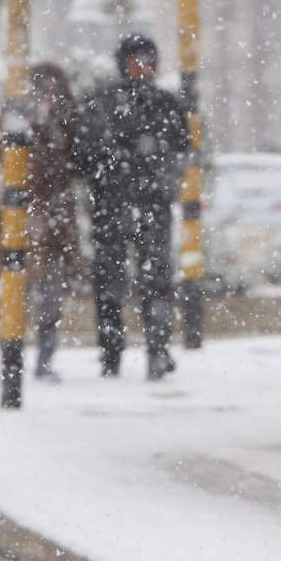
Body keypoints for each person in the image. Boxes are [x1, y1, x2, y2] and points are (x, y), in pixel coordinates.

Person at [71, 34, 190, 380]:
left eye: (149, 60)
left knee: (155, 281)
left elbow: (179, 153)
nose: (144, 67)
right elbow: (82, 156)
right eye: (137, 60)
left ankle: (157, 349)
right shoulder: (101, 104)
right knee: (109, 284)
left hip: (150, 207)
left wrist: (161, 185)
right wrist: (110, 178)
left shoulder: (165, 105)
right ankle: (111, 354)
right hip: (111, 207)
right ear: (123, 63)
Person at [0, 62, 82, 383]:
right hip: (22, 212)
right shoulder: (16, 118)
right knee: (18, 291)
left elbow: (75, 157)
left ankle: (44, 356)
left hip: (55, 215)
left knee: (51, 295)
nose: (47, 97)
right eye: (42, 90)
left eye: (53, 91)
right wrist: (26, 126)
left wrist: (54, 127)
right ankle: (13, 353)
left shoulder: (68, 118)